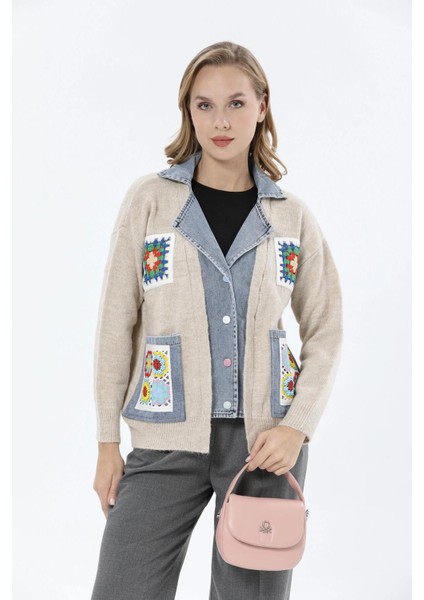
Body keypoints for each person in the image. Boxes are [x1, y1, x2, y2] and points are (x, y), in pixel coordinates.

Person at [90, 40, 343, 600]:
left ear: (261, 106)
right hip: (164, 437)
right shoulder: (151, 202)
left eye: (235, 103)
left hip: (265, 446)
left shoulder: (291, 218)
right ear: (188, 110)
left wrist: (297, 425)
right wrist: (108, 441)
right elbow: (115, 323)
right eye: (204, 105)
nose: (220, 121)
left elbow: (325, 327)